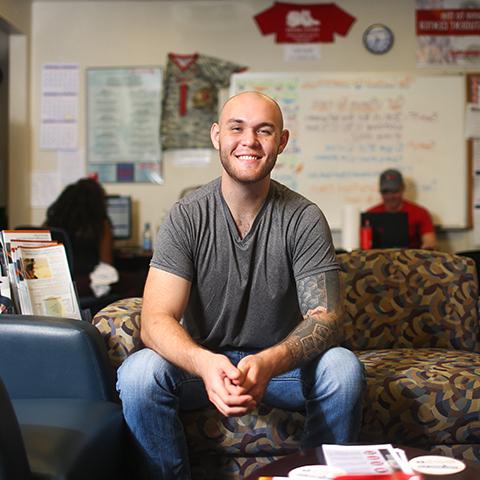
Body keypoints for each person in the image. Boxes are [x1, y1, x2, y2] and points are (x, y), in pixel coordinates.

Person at [117, 91, 365, 479]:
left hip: (278, 368)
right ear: (217, 135)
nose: (249, 141)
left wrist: (268, 362)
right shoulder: (186, 216)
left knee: (342, 369)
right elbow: (155, 319)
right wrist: (204, 362)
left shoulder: (304, 218)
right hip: (203, 365)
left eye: (264, 130)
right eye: (237, 128)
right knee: (137, 375)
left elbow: (326, 319)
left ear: (281, 142)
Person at [44, 177, 114, 296]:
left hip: (57, 284)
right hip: (85, 284)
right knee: (137, 280)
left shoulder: (52, 223)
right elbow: (106, 264)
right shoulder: (100, 224)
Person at [368, 168, 437, 250]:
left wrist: (428, 246)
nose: (390, 196)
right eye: (385, 192)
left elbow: (430, 242)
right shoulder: (370, 214)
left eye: (394, 191)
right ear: (380, 191)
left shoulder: (420, 213)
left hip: (412, 261)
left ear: (403, 188)